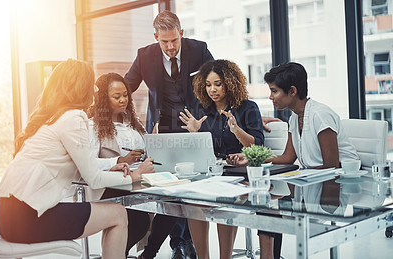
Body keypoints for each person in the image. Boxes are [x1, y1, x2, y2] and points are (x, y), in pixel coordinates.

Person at [0, 59, 149, 259]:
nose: (95, 89)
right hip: (27, 219)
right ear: (80, 86)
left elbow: (82, 165)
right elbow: (92, 178)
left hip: (9, 218)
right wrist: (135, 176)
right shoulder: (73, 118)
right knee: (118, 214)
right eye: (91, 83)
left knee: (115, 212)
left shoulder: (52, 118)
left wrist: (113, 166)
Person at [229, 62, 359, 259]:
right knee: (268, 204)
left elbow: (332, 166)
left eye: (274, 91)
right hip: (311, 183)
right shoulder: (294, 117)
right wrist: (251, 157)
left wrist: (299, 174)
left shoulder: (320, 115)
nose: (270, 97)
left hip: (337, 188)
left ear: (292, 91)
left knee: (276, 205)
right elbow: (287, 157)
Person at [124, 10, 214, 259]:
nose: (171, 46)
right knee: (168, 190)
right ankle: (176, 245)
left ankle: (180, 244)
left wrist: (246, 114)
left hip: (193, 128)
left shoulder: (199, 50)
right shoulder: (145, 56)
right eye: (164, 41)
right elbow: (125, 87)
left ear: (182, 33)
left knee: (188, 187)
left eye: (175, 40)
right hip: (161, 130)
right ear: (156, 38)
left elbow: (220, 82)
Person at [179, 59, 264, 259]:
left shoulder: (248, 108)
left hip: (239, 174)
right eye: (208, 85)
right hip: (212, 173)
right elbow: (201, 151)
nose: (212, 89)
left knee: (224, 201)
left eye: (218, 84)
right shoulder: (203, 111)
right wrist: (195, 133)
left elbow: (258, 145)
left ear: (230, 82)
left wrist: (237, 131)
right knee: (193, 201)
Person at [88, 72, 177, 259]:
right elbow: (88, 164)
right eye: (116, 96)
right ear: (104, 99)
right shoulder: (93, 127)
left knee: (175, 200)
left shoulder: (133, 124)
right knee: (139, 219)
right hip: (113, 184)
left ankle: (149, 253)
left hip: (140, 180)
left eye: (125, 95)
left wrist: (154, 150)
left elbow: (146, 153)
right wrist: (120, 161)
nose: (123, 100)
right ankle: (118, 253)